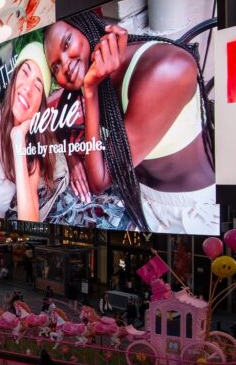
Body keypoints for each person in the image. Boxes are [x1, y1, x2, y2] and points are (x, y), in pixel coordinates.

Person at [43, 13, 217, 234]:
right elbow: (60, 123)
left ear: (88, 28)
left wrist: (90, 91)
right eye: (55, 67)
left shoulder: (164, 72)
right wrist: (72, 158)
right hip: (138, 197)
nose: (66, 65)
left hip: (188, 212)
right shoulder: (99, 74)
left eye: (67, 43)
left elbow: (100, 181)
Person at [0, 41, 66, 220]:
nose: (27, 89)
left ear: (39, 107)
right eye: (25, 73)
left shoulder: (30, 147)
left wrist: (18, 140)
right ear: (13, 79)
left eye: (37, 87)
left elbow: (30, 220)